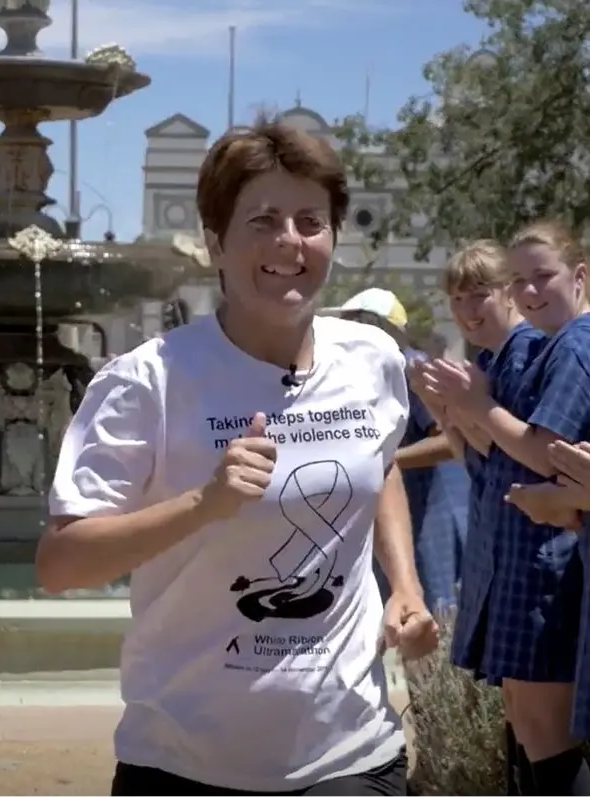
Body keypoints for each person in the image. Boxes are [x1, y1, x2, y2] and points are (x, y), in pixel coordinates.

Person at [37, 120, 436, 795]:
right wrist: (203, 504)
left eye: (310, 220)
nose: (290, 240)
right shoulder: (148, 380)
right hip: (185, 764)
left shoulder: (371, 360)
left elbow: (382, 461)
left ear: (333, 236)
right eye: (263, 220)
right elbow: (60, 563)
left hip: (351, 755)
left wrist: (405, 585)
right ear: (215, 242)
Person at [423, 220, 590, 794]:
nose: (471, 308)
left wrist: (469, 405)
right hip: (518, 556)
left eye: (482, 292)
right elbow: (489, 453)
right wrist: (456, 411)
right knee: (525, 724)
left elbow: (537, 454)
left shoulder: (553, 347)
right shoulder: (512, 355)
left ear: (579, 276)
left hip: (540, 560)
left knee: (546, 738)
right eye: (458, 297)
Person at [324, 287, 470, 614]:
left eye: (354, 323)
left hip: (429, 520)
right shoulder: (354, 377)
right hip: (384, 522)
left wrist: (383, 460)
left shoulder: (409, 370)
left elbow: (448, 441)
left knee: (429, 613)